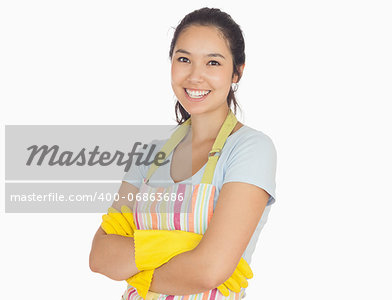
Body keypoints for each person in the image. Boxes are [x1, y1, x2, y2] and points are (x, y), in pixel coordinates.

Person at [89, 7, 277, 299]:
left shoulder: (251, 149)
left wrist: (136, 262)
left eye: (213, 62)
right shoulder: (150, 155)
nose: (195, 76)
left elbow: (209, 271)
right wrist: (182, 245)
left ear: (237, 70)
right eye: (184, 59)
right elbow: (100, 256)